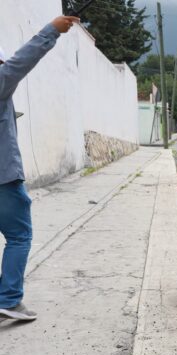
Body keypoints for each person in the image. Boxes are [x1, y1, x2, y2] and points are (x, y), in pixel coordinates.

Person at [0, 16, 79, 322]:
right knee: (19, 236)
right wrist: (52, 31)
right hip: (4, 179)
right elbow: (23, 59)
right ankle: (9, 300)